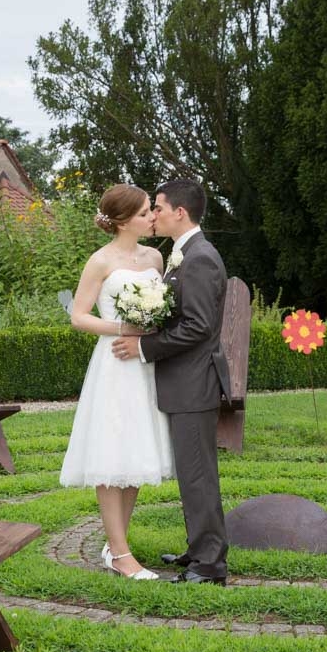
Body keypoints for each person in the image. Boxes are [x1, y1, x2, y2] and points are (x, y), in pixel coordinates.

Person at [112, 178, 231, 586]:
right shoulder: (185, 254)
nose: (154, 215)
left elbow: (197, 327)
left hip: (194, 383)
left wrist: (144, 347)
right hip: (184, 383)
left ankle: (210, 566)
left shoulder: (199, 258)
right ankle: (199, 550)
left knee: (198, 475)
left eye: (158, 207)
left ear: (180, 212)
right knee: (191, 473)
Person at [60, 184, 172, 580]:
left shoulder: (157, 257)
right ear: (123, 221)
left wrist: (151, 330)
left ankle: (116, 544)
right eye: (145, 213)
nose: (152, 217)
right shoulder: (100, 261)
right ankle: (122, 554)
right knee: (112, 452)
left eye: (151, 211)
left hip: (145, 365)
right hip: (114, 366)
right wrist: (121, 327)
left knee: (137, 452)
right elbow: (78, 316)